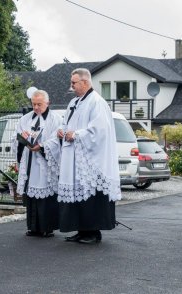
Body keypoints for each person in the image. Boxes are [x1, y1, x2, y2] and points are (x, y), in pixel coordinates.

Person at [57, 68, 121, 244]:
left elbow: (99, 131)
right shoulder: (74, 103)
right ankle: (81, 230)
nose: (71, 86)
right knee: (77, 196)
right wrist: (62, 131)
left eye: (74, 83)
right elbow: (65, 122)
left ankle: (93, 232)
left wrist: (76, 135)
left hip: (91, 160)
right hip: (74, 157)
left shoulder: (97, 102)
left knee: (90, 196)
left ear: (85, 82)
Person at [14, 89, 62, 237]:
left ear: (47, 103)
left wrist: (41, 146)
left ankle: (47, 227)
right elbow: (16, 137)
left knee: (46, 194)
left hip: (45, 162)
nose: (35, 108)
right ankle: (33, 227)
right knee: (31, 195)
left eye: (39, 104)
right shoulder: (26, 119)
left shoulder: (56, 119)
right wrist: (23, 138)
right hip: (29, 162)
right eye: (33, 104)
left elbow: (57, 140)